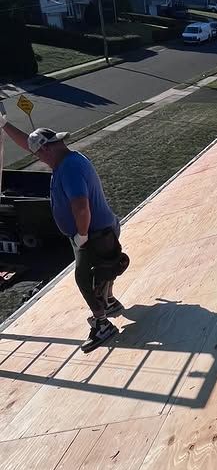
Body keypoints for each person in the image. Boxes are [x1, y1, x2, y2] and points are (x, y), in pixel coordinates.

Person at [0, 116, 128, 353]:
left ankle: (102, 325)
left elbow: (81, 207)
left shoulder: (68, 169)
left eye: (38, 155)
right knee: (103, 269)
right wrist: (4, 123)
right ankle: (109, 301)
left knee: (85, 278)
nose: (39, 159)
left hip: (93, 234)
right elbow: (29, 143)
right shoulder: (71, 157)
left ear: (47, 148)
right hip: (102, 229)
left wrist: (81, 236)